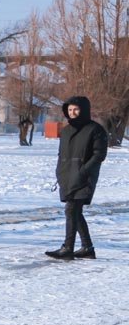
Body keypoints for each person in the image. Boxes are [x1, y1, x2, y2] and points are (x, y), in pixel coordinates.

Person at [46, 96, 107, 260]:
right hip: (66, 175)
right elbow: (61, 154)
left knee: (71, 210)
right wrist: (59, 172)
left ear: (84, 110)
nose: (72, 113)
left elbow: (99, 154)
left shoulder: (95, 129)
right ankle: (87, 248)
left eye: (76, 109)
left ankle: (68, 247)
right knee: (75, 212)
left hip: (84, 176)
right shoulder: (66, 131)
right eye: (70, 110)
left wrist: (84, 170)